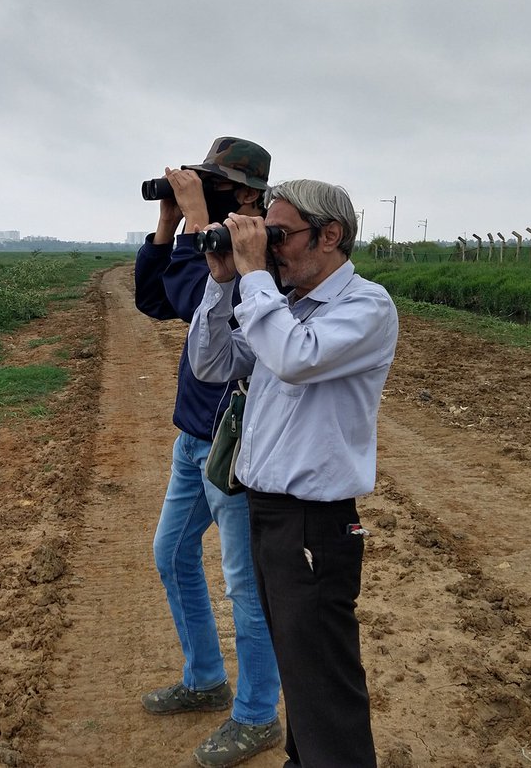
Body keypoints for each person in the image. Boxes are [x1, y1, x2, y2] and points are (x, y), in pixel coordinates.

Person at [186, 179, 398, 768]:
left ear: (330, 236)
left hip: (314, 525)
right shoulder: (283, 309)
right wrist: (223, 281)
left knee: (325, 680)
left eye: (278, 235)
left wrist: (253, 278)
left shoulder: (366, 307)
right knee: (298, 667)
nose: (270, 248)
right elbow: (210, 362)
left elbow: (296, 358)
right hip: (268, 513)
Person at [134, 137, 283, 768]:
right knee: (171, 554)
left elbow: (212, 293)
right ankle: (205, 679)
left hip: (237, 445)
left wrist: (200, 222)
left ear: (247, 195)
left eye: (217, 185)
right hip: (193, 436)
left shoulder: (260, 256)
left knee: (246, 587)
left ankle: (256, 715)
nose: (208, 193)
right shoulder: (204, 237)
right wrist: (168, 223)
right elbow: (155, 298)